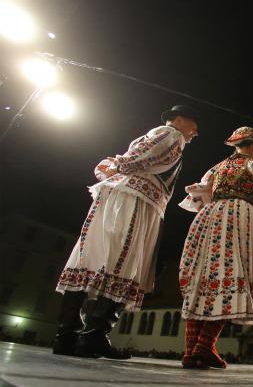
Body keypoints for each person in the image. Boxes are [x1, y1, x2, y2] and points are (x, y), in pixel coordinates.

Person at [54, 105, 200, 359]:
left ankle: (67, 336)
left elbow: (139, 155)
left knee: (92, 256)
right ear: (178, 120)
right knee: (123, 260)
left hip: (123, 194)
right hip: (135, 199)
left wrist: (116, 165)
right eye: (193, 126)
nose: (195, 133)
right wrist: (119, 164)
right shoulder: (171, 134)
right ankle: (92, 337)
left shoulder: (161, 134)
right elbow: (146, 154)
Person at [177, 127, 253, 368]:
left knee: (202, 278)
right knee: (231, 273)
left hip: (210, 216)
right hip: (239, 216)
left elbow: (201, 193)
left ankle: (192, 350)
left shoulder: (217, 168)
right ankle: (203, 345)